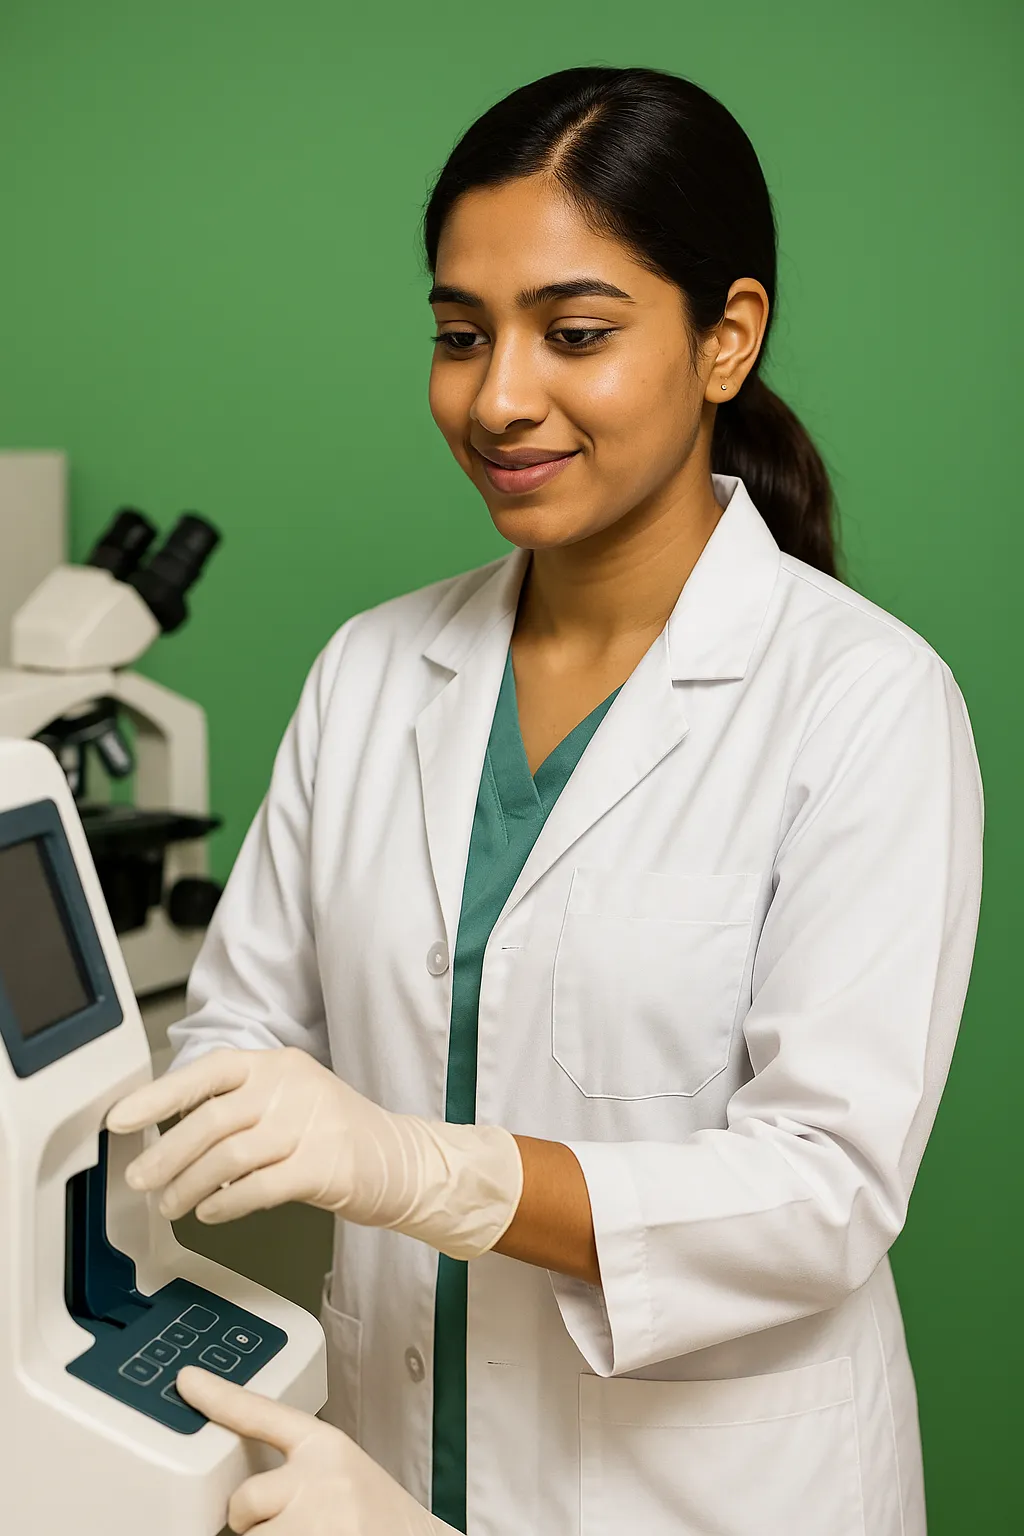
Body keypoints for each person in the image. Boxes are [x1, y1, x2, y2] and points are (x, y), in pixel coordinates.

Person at [107, 64, 983, 1536]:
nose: (500, 397)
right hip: (385, 1467)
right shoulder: (372, 670)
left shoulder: (863, 699)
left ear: (725, 338)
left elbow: (822, 1188)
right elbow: (243, 1032)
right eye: (461, 335)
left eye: (575, 334)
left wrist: (412, 1166)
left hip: (708, 1497)